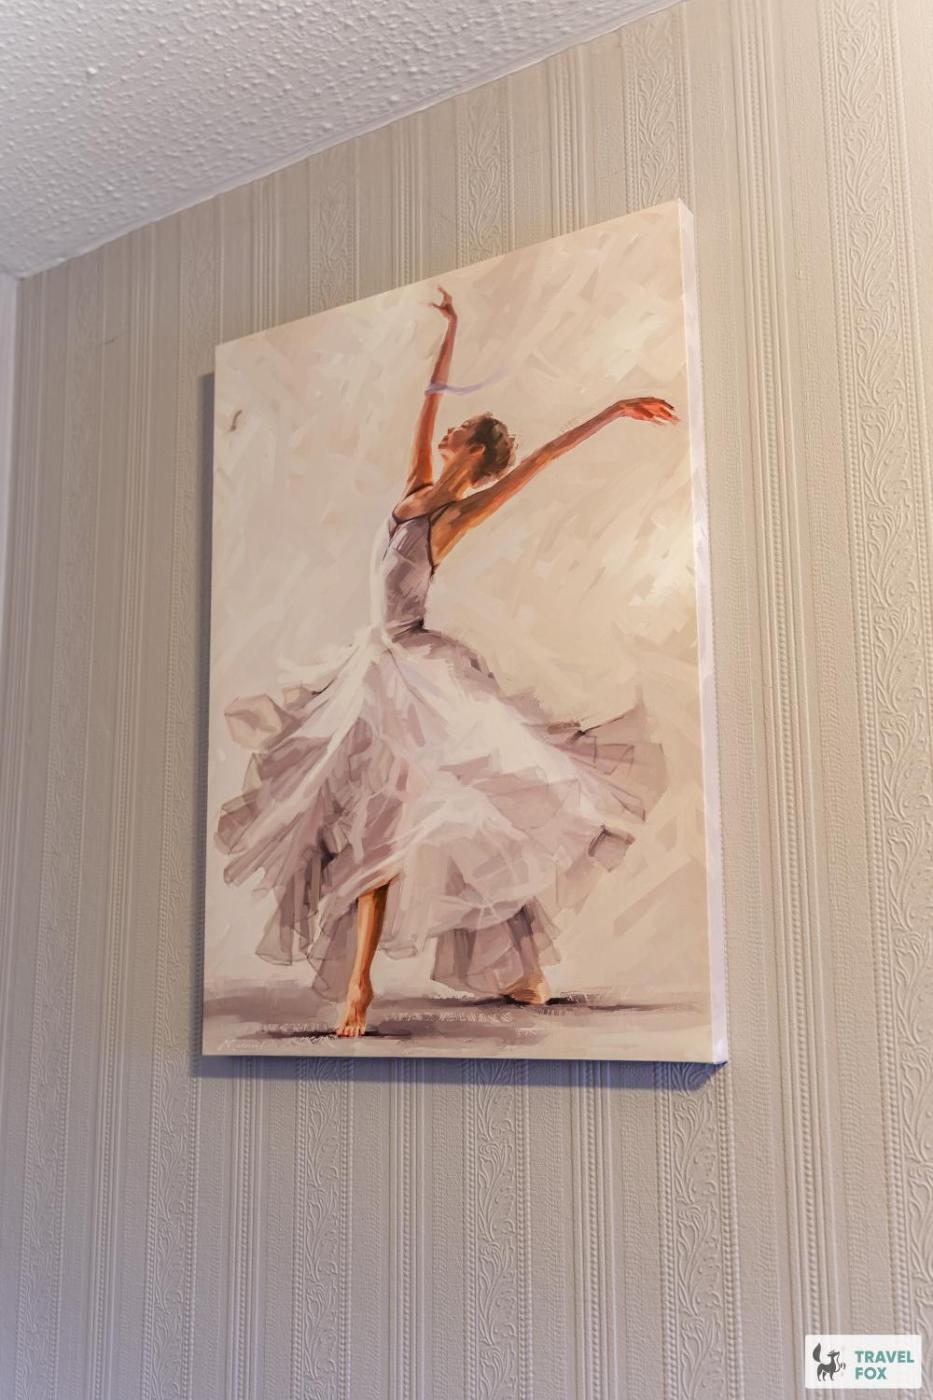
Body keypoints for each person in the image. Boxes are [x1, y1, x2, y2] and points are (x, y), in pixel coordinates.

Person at [216, 287, 676, 1037]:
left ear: (476, 452)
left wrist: (614, 410)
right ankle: (509, 975)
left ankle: (368, 989)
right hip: (378, 668)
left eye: (461, 430)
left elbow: (542, 460)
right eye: (452, 425)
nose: (446, 430)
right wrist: (451, 333)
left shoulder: (456, 515)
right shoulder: (414, 491)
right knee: (380, 819)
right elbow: (429, 402)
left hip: (417, 679)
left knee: (410, 820)